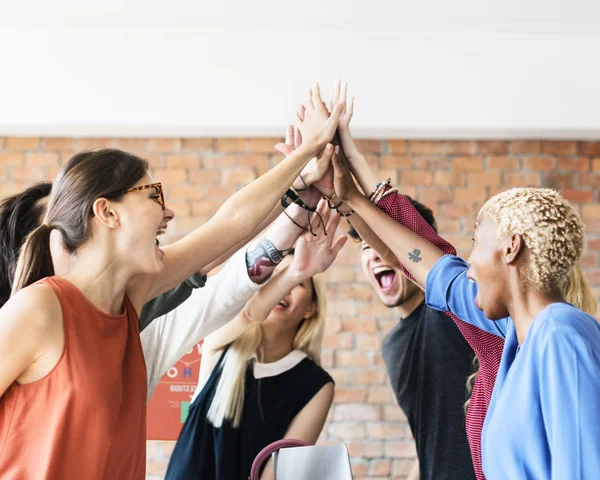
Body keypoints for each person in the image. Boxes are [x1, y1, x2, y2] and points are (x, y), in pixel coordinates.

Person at [0, 85, 345, 480]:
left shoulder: (130, 301)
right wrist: (308, 149)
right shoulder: (39, 309)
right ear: (107, 212)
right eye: (153, 196)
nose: (169, 213)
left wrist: (302, 176)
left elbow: (231, 224)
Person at [331, 82, 599, 480]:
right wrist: (350, 195)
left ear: (511, 248)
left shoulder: (561, 333)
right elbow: (431, 265)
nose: (468, 263)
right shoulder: (511, 337)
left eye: (476, 242)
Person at [165, 200, 346, 480]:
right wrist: (296, 271)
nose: (283, 290)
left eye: (297, 285)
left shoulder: (317, 386)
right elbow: (249, 314)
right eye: (276, 280)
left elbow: (277, 473)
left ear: (312, 307)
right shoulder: (223, 345)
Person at [347, 204, 476, 480]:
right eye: (366, 247)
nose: (378, 254)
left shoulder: (453, 310)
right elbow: (432, 437)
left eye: (383, 242)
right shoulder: (392, 345)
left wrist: (348, 199)